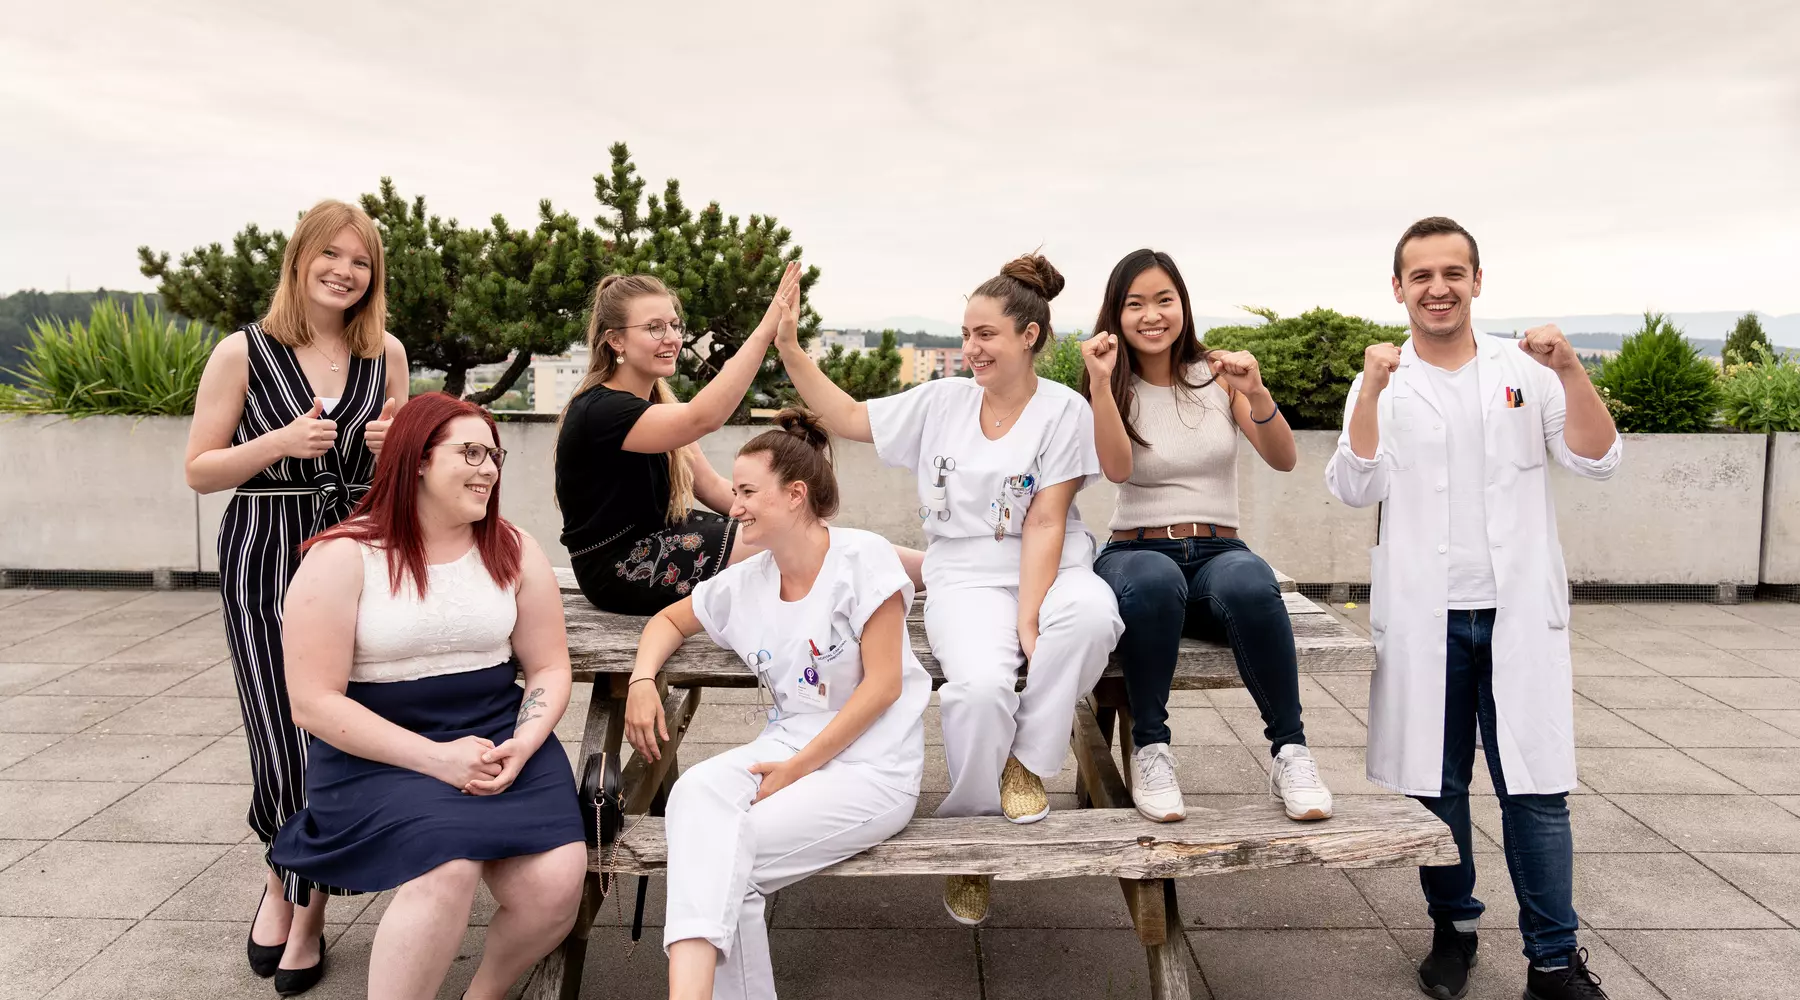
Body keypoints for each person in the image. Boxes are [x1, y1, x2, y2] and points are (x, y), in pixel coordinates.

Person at [777, 252, 1123, 927]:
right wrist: (790, 347)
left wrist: (1031, 618)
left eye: (986, 335)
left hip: (1050, 565)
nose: (971, 348)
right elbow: (847, 417)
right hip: (961, 574)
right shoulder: (941, 402)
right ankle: (973, 839)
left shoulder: (1064, 411)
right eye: (966, 334)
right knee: (978, 691)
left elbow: (1048, 518)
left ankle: (1027, 762)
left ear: (1029, 336)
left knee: (1089, 617)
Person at [1326, 217, 1619, 1000]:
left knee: (1537, 789)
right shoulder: (1381, 379)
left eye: (1453, 272)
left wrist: (1574, 371)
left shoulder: (1526, 369)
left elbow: (1597, 459)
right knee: (1438, 784)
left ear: (1477, 282)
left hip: (1516, 610)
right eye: (1420, 275)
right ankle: (1452, 931)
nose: (1438, 287)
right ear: (1398, 289)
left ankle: (1554, 963)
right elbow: (1355, 485)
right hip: (1430, 613)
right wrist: (1374, 390)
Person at [270, 392, 586, 1000]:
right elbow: (311, 702)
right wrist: (436, 759)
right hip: (378, 752)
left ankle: (484, 994)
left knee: (556, 884)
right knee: (448, 867)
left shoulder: (514, 548)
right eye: (470, 452)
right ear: (416, 458)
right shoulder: (343, 557)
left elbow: (547, 665)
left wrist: (523, 743)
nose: (488, 468)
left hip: (498, 733)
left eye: (494, 455)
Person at [626, 409, 930, 1000]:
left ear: (795, 495)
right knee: (695, 795)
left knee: (718, 858)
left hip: (873, 768)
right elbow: (669, 619)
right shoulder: (748, 580)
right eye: (734, 492)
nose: (732, 506)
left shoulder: (861, 560)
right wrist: (641, 679)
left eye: (746, 492)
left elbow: (884, 685)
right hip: (785, 750)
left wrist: (799, 767)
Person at [183, 198, 409, 985]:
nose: (346, 272)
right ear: (300, 258)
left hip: (351, 556)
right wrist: (276, 442)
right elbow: (199, 470)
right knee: (277, 737)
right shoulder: (241, 353)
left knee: (339, 734)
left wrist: (394, 448)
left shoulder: (387, 354)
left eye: (361, 261)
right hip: (263, 553)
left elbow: (407, 477)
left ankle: (307, 912)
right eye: (333, 256)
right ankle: (283, 880)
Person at [1080, 249, 1334, 824]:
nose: (1152, 315)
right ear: (1116, 315)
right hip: (1136, 552)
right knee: (1154, 577)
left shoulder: (1218, 377)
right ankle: (1152, 749)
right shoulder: (1109, 384)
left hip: (1218, 550)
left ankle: (1291, 752)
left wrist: (1258, 391)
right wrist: (1099, 385)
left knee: (1251, 582)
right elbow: (1117, 469)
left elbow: (1284, 457)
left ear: (1183, 306)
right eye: (1135, 303)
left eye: (1164, 300)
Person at [555, 265, 803, 614]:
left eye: (674, 325)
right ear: (615, 340)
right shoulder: (599, 411)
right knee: (786, 544)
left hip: (666, 537)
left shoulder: (656, 405)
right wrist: (764, 332)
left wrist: (784, 513)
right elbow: (705, 417)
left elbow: (711, 486)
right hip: (619, 568)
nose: (671, 337)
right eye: (655, 327)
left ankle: (910, 569)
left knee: (799, 534)